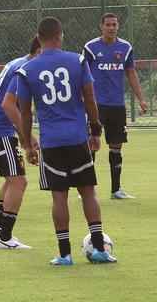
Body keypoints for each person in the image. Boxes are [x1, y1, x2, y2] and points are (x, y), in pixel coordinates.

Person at [17, 17, 115, 265]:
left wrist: (27, 143)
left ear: (38, 38)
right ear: (61, 36)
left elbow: (25, 111)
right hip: (77, 137)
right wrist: (95, 131)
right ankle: (99, 249)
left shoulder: (27, 70)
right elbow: (90, 98)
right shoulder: (78, 60)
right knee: (88, 192)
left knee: (59, 197)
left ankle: (64, 254)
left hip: (51, 142)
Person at [0, 37, 40, 249]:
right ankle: (6, 238)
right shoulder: (26, 68)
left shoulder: (17, 62)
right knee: (19, 181)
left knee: (12, 179)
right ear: (40, 50)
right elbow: (9, 106)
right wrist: (27, 136)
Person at [81, 13, 147, 199]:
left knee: (116, 146)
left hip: (117, 105)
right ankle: (87, 187)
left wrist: (141, 98)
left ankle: (116, 189)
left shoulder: (125, 48)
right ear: (101, 26)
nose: (111, 27)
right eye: (108, 24)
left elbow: (131, 73)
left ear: (118, 26)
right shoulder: (91, 48)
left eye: (114, 24)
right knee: (91, 143)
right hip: (96, 105)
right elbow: (82, 75)